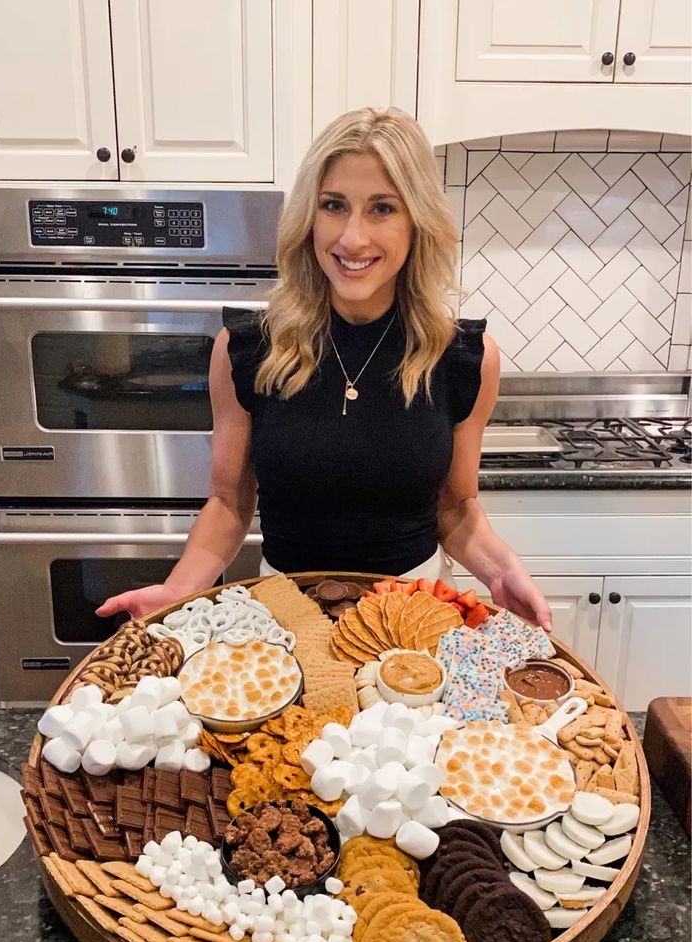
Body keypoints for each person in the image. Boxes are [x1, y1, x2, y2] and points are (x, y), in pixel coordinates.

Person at [97, 107, 551, 632]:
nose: (352, 238)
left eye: (382, 208)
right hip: (284, 614)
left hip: (413, 618)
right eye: (334, 206)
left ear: (416, 223)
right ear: (308, 217)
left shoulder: (463, 359)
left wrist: (503, 571)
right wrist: (180, 590)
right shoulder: (248, 350)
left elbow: (456, 509)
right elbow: (228, 502)